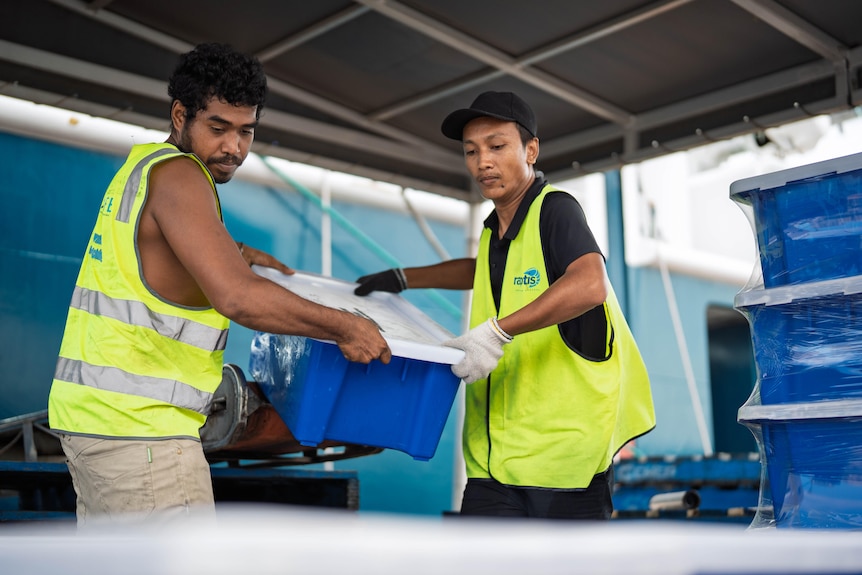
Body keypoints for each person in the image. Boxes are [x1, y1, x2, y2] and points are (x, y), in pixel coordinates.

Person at [48, 43, 391, 526]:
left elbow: (160, 253)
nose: (234, 147)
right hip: (145, 435)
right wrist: (345, 326)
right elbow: (237, 297)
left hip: (98, 425)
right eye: (218, 128)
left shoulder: (143, 168)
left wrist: (237, 251)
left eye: (246, 131)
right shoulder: (183, 176)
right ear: (180, 115)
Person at [354, 91, 655, 519]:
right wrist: (405, 278)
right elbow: (481, 269)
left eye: (497, 146)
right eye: (471, 151)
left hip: (561, 459)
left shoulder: (556, 210)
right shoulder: (494, 230)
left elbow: (590, 283)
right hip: (493, 462)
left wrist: (498, 331)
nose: (483, 162)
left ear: (531, 150)